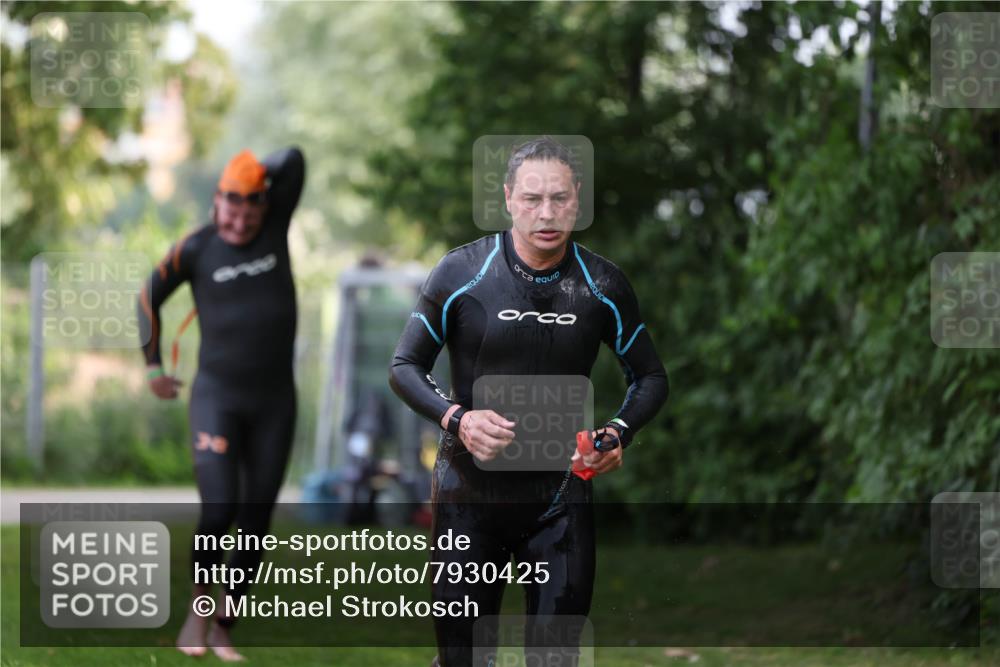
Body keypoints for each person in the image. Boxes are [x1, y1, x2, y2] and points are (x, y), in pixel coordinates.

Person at [389, 137, 669, 667]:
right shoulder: (461, 274)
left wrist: (615, 434)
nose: (547, 213)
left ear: (577, 201)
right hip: (468, 496)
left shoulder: (602, 285)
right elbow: (405, 367)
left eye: (560, 199)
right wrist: (458, 417)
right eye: (534, 199)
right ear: (509, 199)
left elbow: (651, 377)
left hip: (561, 500)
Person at [137, 147, 305, 661]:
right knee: (220, 508)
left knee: (255, 519)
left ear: (263, 206)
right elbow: (148, 297)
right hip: (217, 398)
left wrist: (253, 169)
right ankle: (199, 609)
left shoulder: (275, 225)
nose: (239, 222)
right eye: (231, 210)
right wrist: (154, 367)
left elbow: (294, 159)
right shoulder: (196, 248)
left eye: (250, 210)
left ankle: (225, 623)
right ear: (216, 203)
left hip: (275, 403)